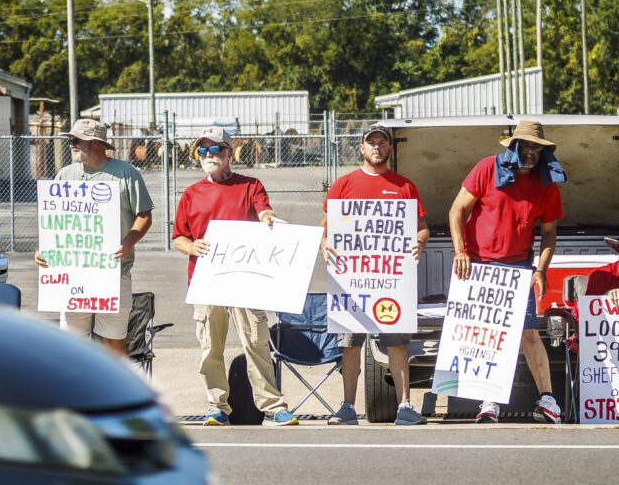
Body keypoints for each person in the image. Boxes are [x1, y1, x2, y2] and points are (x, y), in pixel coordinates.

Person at [173, 126, 298, 427]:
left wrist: (269, 218)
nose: (208, 156)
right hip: (207, 283)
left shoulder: (250, 185)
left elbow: (263, 211)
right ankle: (217, 407)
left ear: (229, 153)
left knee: (256, 343)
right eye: (202, 150)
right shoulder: (191, 194)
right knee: (210, 348)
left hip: (246, 282)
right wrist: (191, 245)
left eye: (215, 149)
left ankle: (273, 406)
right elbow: (178, 237)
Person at [449, 119, 565, 424]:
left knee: (528, 333)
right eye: (525, 146)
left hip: (518, 269)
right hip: (479, 267)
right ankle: (490, 401)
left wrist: (541, 269)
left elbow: (549, 234)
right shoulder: (488, 167)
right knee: (488, 336)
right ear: (514, 146)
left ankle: (549, 401)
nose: (530, 152)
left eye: (536, 148)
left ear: (543, 152)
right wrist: (461, 251)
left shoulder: (546, 184)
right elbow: (457, 210)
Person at [321, 124, 430, 426]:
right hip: (352, 279)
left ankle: (405, 407)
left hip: (391, 281)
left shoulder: (404, 186)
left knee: (397, 342)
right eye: (372, 142)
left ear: (390, 149)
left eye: (383, 142)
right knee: (350, 343)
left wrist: (419, 242)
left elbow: (421, 227)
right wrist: (324, 242)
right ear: (362, 147)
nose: (377, 146)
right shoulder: (343, 185)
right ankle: (346, 408)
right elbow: (326, 225)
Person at [35, 119, 154, 358]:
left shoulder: (126, 174)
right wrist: (43, 249)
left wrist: (128, 242)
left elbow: (144, 215)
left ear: (96, 143)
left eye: (76, 140)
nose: (72, 145)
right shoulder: (65, 174)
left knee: (113, 342)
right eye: (71, 140)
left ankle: (119, 393)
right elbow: (55, 222)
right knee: (73, 344)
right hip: (71, 275)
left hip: (114, 273)